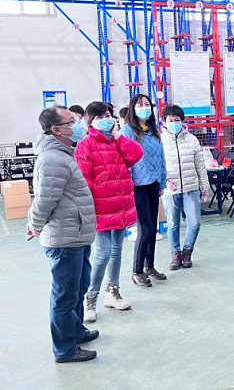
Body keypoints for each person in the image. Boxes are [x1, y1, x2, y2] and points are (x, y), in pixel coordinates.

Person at [27, 106, 98, 363]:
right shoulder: (53, 159)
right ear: (57, 130)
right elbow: (45, 200)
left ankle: (75, 331)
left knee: (77, 287)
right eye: (72, 122)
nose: (78, 125)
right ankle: (65, 349)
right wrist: (35, 224)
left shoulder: (63, 154)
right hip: (64, 238)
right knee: (65, 295)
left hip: (75, 234)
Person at [74, 102, 143, 322]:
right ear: (90, 122)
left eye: (108, 115)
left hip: (120, 205)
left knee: (116, 251)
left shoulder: (116, 142)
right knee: (102, 254)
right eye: (100, 117)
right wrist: (87, 210)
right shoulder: (85, 145)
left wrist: (118, 136)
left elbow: (136, 154)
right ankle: (90, 298)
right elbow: (83, 181)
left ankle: (112, 292)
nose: (106, 120)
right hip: (100, 208)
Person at [120, 94, 167, 287]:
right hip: (137, 186)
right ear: (133, 108)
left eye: (147, 104)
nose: (144, 108)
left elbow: (161, 158)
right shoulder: (127, 131)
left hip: (153, 184)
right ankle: (137, 271)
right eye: (140, 105)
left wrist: (162, 183)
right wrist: (128, 185)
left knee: (152, 228)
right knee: (145, 229)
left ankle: (150, 267)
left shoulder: (153, 131)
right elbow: (125, 161)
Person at [161, 105, 210, 270]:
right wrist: (165, 180)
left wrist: (205, 187)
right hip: (171, 190)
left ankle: (187, 251)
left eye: (177, 120)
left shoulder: (192, 140)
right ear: (164, 123)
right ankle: (175, 254)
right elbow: (158, 165)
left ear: (182, 121)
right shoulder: (160, 141)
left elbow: (200, 166)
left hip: (191, 188)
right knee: (173, 224)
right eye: (170, 120)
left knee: (194, 223)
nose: (174, 123)